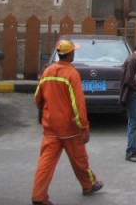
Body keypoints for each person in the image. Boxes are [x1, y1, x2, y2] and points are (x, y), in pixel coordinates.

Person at [31, 39, 103, 205]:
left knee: (45, 163)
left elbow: (37, 98)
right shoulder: (71, 74)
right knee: (80, 160)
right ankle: (88, 185)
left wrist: (48, 110)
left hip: (50, 127)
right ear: (70, 54)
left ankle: (38, 196)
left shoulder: (48, 72)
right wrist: (84, 127)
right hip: (70, 128)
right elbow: (78, 104)